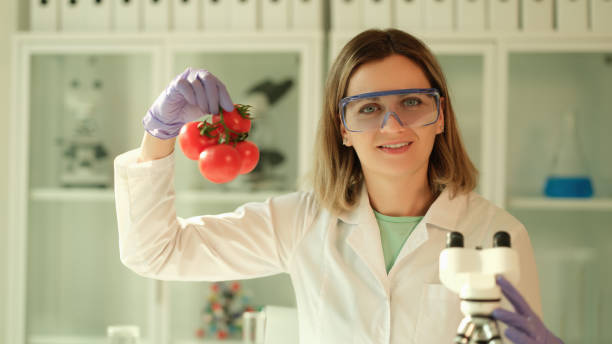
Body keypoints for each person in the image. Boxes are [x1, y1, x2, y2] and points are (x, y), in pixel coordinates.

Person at [114, 29, 563, 344]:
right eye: (367, 108)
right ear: (342, 128)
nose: (393, 126)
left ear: (440, 115)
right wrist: (159, 133)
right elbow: (155, 251)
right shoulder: (300, 224)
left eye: (412, 102)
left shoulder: (498, 235)